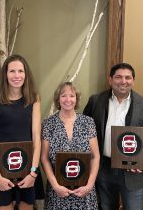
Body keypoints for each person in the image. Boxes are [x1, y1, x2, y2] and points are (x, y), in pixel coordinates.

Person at [83, 63, 143, 210]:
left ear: (133, 80)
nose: (123, 81)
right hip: (103, 168)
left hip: (132, 170)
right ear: (110, 80)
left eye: (128, 77)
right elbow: (84, 131)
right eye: (118, 77)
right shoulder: (95, 101)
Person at [0, 54, 44, 210]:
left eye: (21, 71)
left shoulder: (34, 99)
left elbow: (36, 137)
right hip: (0, 169)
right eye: (12, 71)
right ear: (5, 74)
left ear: (26, 74)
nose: (17, 75)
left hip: (28, 167)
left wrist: (33, 173)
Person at [41, 81, 100, 210]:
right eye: (63, 96)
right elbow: (44, 158)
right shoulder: (48, 124)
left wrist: (89, 185)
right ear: (58, 99)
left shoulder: (88, 122)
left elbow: (95, 156)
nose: (68, 99)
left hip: (84, 190)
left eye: (72, 96)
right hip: (58, 191)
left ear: (76, 99)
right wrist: (55, 186)